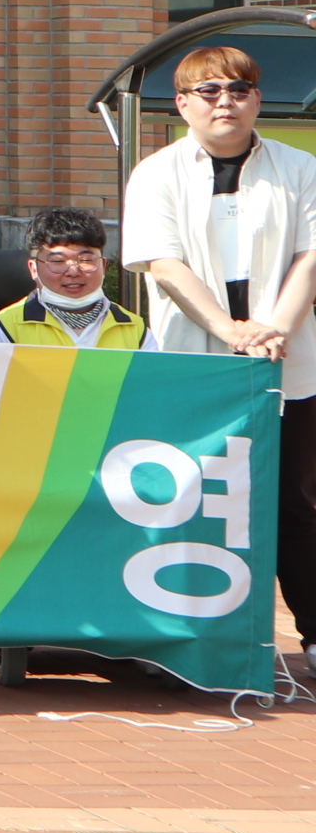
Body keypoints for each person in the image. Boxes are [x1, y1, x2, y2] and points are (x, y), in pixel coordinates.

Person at [123, 44, 316, 665]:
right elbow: (164, 263)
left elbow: (309, 258)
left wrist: (274, 329)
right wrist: (230, 330)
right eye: (208, 92)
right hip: (196, 361)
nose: (224, 102)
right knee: (196, 497)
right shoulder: (156, 172)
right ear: (182, 105)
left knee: (300, 502)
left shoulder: (301, 168)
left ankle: (312, 634)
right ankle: (192, 637)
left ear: (258, 99)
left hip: (291, 359)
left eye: (238, 90)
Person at [0, 207, 145, 350]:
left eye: (86, 260)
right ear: (34, 268)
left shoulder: (136, 329)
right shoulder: (8, 325)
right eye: (58, 261)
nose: (73, 271)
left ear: (103, 265)